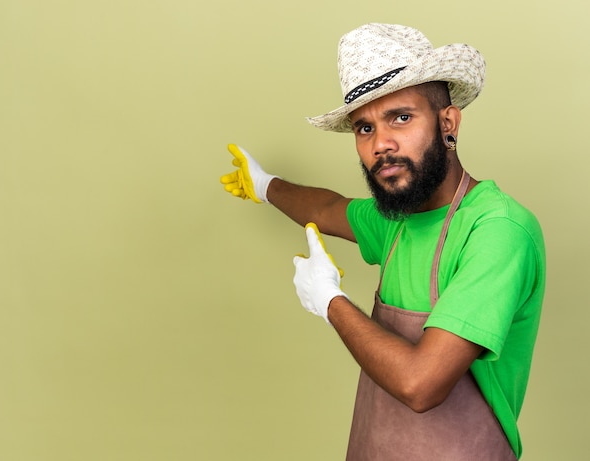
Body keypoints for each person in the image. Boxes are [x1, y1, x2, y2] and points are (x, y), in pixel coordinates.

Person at [219, 23, 545, 460]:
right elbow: (324, 209)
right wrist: (264, 185)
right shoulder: (398, 219)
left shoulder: (497, 230)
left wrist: (329, 300)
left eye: (401, 117)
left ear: (448, 122)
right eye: (364, 128)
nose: (381, 145)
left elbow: (421, 384)